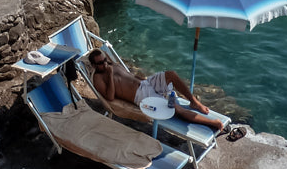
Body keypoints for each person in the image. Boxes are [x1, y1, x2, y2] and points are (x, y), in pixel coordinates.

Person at [87, 48, 227, 133]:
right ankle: (213, 123)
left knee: (171, 74)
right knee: (176, 109)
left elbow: (130, 76)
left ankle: (194, 101)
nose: (104, 64)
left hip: (146, 83)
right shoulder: (98, 78)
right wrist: (110, 74)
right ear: (94, 65)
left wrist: (145, 79)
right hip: (141, 96)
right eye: (100, 63)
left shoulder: (111, 64)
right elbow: (110, 97)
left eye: (105, 60)